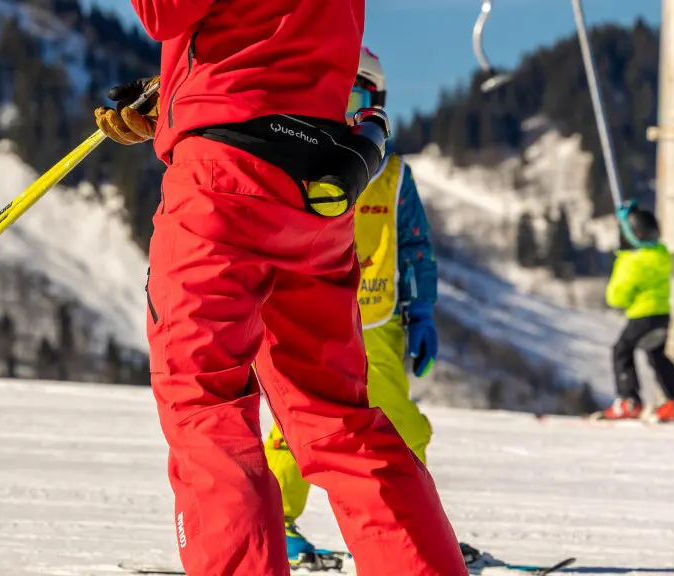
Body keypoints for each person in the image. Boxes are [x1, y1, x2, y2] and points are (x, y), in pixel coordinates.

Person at [94, 2, 466, 574]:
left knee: (205, 406)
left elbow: (162, 13)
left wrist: (199, 93)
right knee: (337, 419)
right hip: (317, 178)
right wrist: (176, 89)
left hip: (224, 176)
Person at [263, 47, 439, 565]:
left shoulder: (393, 175)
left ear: (377, 104)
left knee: (402, 423)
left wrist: (422, 310)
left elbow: (415, 246)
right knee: (299, 425)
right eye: (336, 98)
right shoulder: (298, 162)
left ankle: (418, 523)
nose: (346, 113)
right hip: (311, 319)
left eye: (357, 99)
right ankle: (279, 520)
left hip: (378, 321)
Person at [602, 201, 674, 422]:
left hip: (642, 314)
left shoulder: (633, 262)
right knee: (657, 356)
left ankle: (629, 399)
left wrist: (621, 259)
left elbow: (615, 297)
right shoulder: (662, 256)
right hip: (663, 315)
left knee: (621, 350)